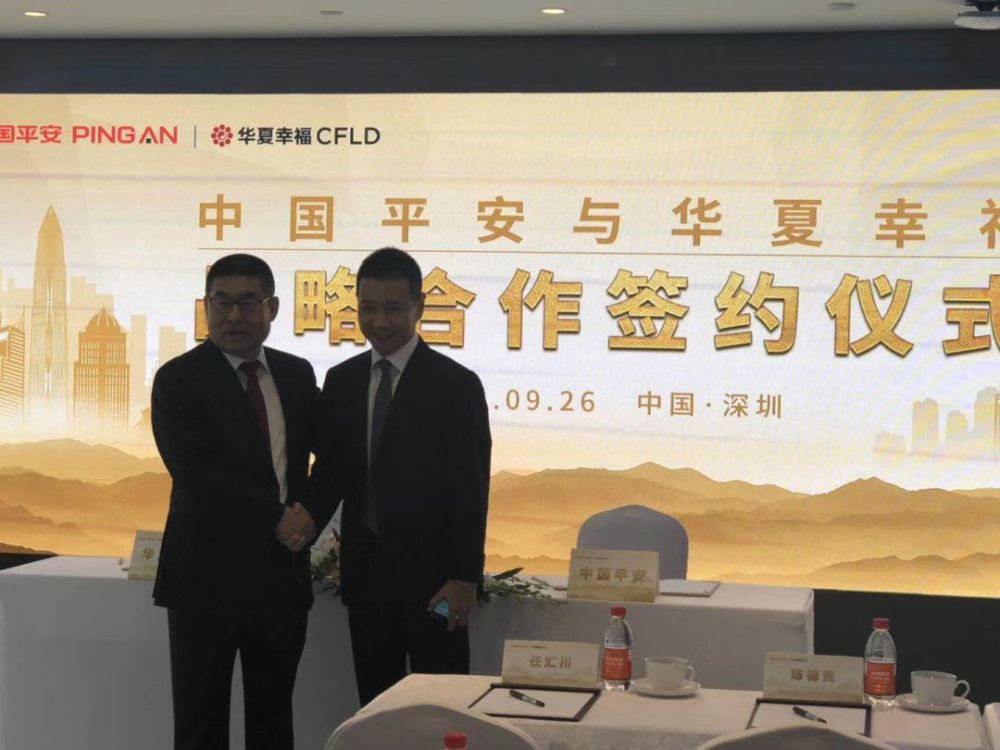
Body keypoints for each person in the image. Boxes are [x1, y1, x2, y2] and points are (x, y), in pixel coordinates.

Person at [151, 253, 335, 750]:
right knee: (200, 724)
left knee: (273, 722)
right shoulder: (178, 380)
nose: (234, 316)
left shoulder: (296, 375)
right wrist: (278, 517)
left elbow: (331, 456)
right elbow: (197, 474)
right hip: (203, 579)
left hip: (279, 578)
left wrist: (309, 516)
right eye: (222, 303)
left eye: (248, 302)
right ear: (205, 308)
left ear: (272, 309)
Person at [310, 246, 491, 706]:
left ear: (419, 307)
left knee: (443, 708)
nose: (380, 321)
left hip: (437, 585)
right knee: (376, 708)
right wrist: (302, 522)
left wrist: (464, 578)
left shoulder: (455, 385)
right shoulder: (343, 381)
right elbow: (332, 471)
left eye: (393, 309)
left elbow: (470, 488)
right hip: (367, 582)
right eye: (368, 308)